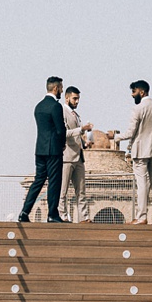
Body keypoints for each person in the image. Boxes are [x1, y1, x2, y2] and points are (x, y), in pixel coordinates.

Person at [109, 80, 152, 225]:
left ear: (141, 92)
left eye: (134, 92)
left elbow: (130, 132)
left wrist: (114, 137)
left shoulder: (138, 109)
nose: (132, 95)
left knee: (142, 184)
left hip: (140, 151)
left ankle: (142, 217)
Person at [18, 77, 68, 223]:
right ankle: (52, 214)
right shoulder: (56, 106)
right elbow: (60, 130)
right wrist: (62, 144)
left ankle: (24, 212)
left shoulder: (38, 106)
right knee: (54, 181)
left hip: (40, 149)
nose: (62, 90)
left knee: (38, 181)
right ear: (56, 88)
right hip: (53, 150)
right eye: (61, 88)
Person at [58, 86, 94, 223]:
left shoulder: (75, 115)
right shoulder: (62, 112)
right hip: (67, 156)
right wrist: (81, 129)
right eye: (75, 98)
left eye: (78, 98)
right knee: (63, 190)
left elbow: (76, 136)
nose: (77, 101)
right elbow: (63, 134)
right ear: (67, 97)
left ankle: (84, 217)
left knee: (81, 190)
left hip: (78, 156)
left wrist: (85, 144)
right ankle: (63, 215)